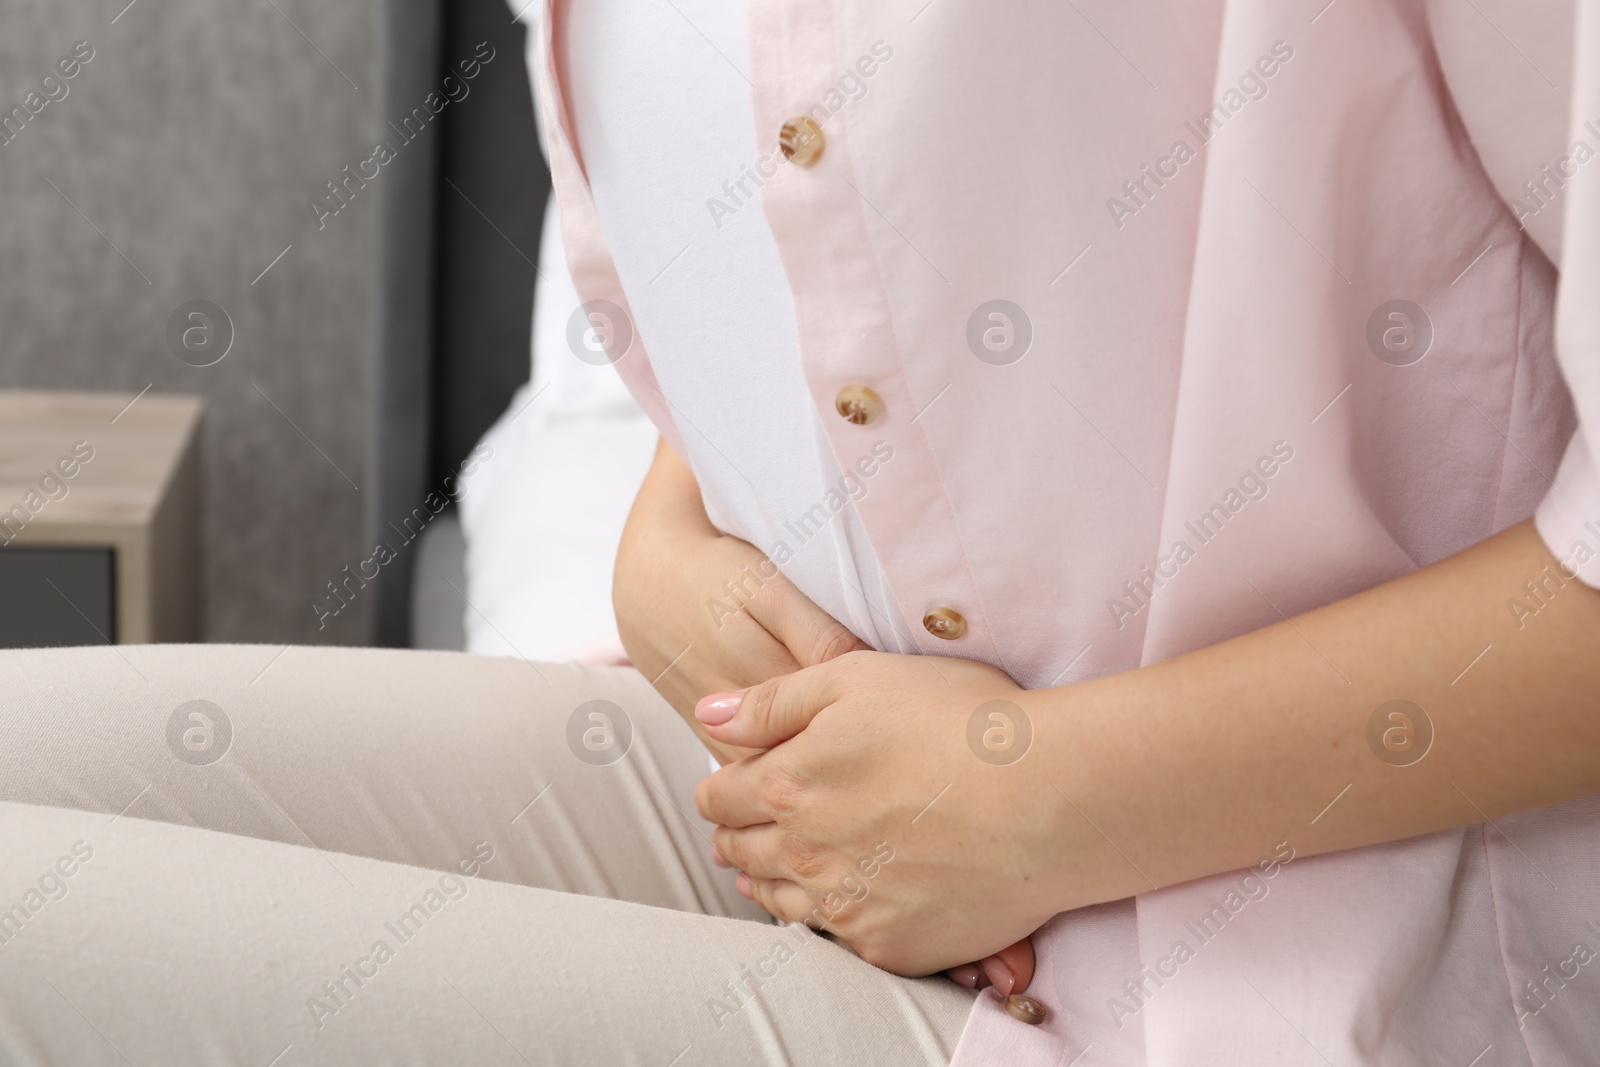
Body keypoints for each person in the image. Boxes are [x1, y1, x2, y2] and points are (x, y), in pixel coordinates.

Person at [3, 1, 1599, 1064]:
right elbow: (803, 287)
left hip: (1271, 932)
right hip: (808, 800)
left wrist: (1041, 804)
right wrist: (666, 539)